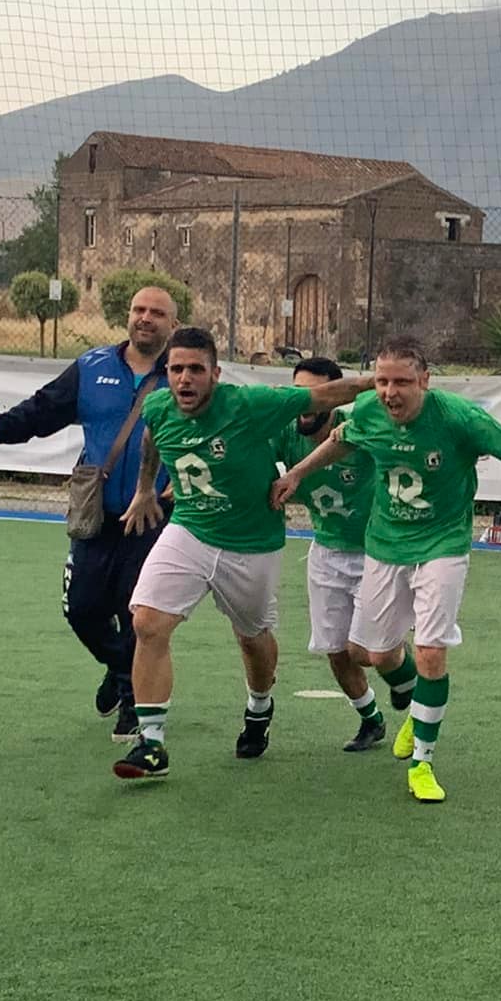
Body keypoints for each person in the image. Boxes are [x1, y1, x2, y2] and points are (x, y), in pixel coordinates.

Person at [271, 333, 501, 804]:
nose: (389, 392)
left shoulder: (459, 418)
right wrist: (296, 474)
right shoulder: (367, 414)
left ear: (425, 380)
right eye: (381, 381)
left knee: (433, 651)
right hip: (385, 545)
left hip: (443, 545)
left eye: (401, 382)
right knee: (370, 654)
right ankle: (416, 705)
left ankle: (423, 760)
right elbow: (340, 443)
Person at [112, 326, 372, 781]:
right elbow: (153, 438)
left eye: (196, 369)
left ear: (215, 373)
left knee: (252, 638)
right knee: (147, 621)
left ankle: (259, 707)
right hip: (190, 530)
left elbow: (328, 394)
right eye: (176, 369)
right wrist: (144, 491)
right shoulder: (157, 405)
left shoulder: (251, 405)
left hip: (251, 543)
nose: (185, 379)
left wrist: (386, 380)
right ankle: (151, 743)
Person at [0, 285, 174, 741]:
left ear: (172, 325)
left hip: (155, 519)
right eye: (139, 309)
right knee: (81, 609)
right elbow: (42, 411)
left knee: (136, 612)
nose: (145, 318)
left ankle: (131, 699)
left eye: (157, 313)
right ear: (128, 316)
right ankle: (118, 665)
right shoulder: (92, 366)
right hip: (96, 517)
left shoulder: (182, 373)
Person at [276, 354, 414, 753]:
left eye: (316, 395)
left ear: (335, 400)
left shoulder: (362, 429)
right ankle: (371, 719)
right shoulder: (285, 431)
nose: (306, 404)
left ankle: (411, 685)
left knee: (367, 652)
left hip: (376, 552)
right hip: (326, 550)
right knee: (335, 650)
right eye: (298, 394)